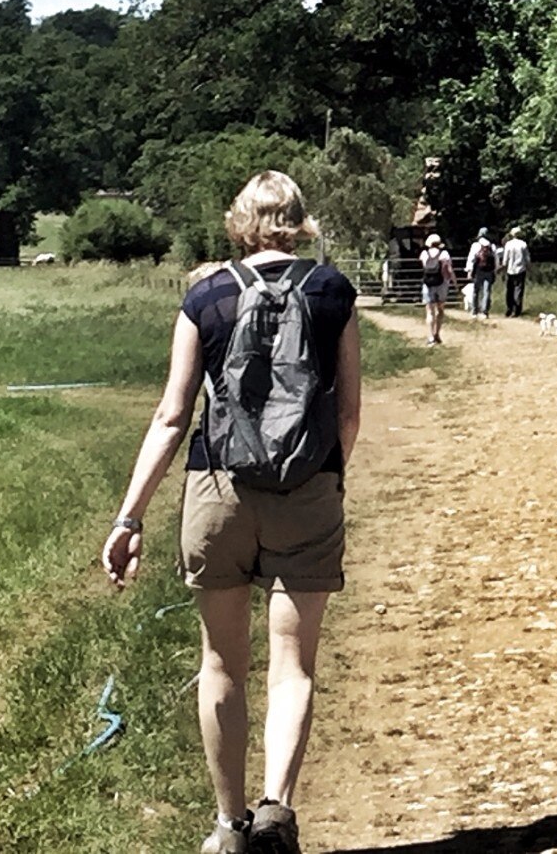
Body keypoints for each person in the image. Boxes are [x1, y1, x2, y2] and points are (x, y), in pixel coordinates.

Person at [103, 171, 361, 854]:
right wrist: (326, 478)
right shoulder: (332, 291)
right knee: (293, 664)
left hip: (217, 490)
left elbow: (172, 414)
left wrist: (129, 518)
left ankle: (229, 825)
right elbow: (349, 412)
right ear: (299, 222)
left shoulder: (206, 295)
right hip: (307, 489)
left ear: (240, 223)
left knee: (221, 662)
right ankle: (277, 810)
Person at [420, 231, 456, 345]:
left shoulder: (424, 254)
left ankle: (431, 337)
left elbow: (424, 267)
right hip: (442, 283)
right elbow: (449, 269)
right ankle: (437, 334)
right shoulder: (444, 254)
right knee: (440, 310)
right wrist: (455, 283)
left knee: (429, 311)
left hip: (428, 284)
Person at [465, 227, 497, 319]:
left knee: (476, 291)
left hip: (478, 271)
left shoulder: (476, 245)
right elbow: (496, 260)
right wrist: (495, 270)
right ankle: (485, 312)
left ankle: (474, 311)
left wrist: (469, 271)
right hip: (489, 271)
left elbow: (471, 258)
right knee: (486, 292)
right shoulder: (492, 246)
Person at [500, 228, 532, 318]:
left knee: (509, 290)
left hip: (510, 270)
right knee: (518, 290)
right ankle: (516, 310)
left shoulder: (508, 244)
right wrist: (529, 268)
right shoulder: (523, 244)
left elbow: (505, 259)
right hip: (520, 270)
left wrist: (503, 269)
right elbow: (527, 258)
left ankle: (509, 309)